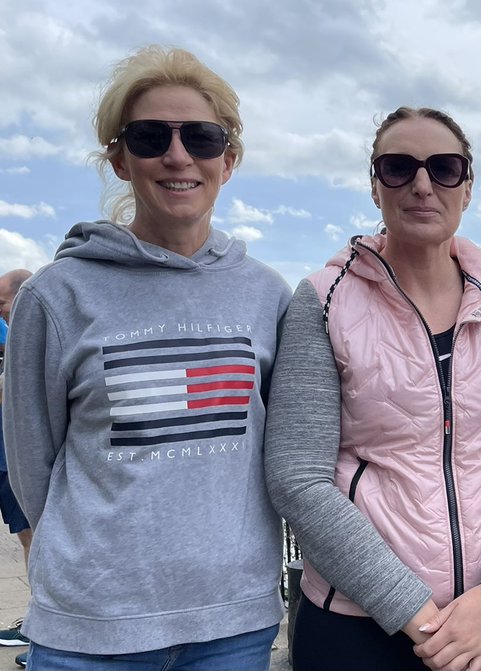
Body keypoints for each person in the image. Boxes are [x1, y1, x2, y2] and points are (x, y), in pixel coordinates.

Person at [1, 45, 290, 669]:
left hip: (233, 625)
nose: (178, 156)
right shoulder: (55, 296)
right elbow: (32, 466)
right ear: (120, 158)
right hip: (90, 632)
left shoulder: (267, 294)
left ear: (229, 160)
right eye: (151, 136)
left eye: (202, 138)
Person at [265, 106, 481, 671]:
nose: (423, 185)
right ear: (375, 186)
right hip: (357, 624)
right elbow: (297, 476)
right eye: (399, 167)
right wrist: (421, 618)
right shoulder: (325, 300)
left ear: (468, 186)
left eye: (445, 168)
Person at [0, 270, 34, 663]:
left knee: (33, 537)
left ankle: (39, 628)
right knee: (29, 537)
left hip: (15, 459)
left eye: (2, 304)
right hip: (10, 457)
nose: (2, 314)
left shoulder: (26, 337)